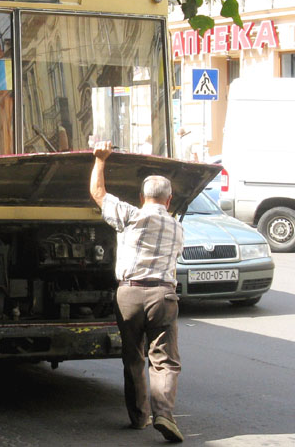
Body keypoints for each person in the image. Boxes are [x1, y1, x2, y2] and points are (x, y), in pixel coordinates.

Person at [89, 140, 185, 443]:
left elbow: (98, 194)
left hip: (129, 295)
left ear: (141, 196)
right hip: (163, 296)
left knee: (133, 357)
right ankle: (164, 415)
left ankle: (139, 417)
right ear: (168, 201)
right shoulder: (177, 227)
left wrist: (101, 159)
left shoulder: (131, 215)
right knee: (165, 360)